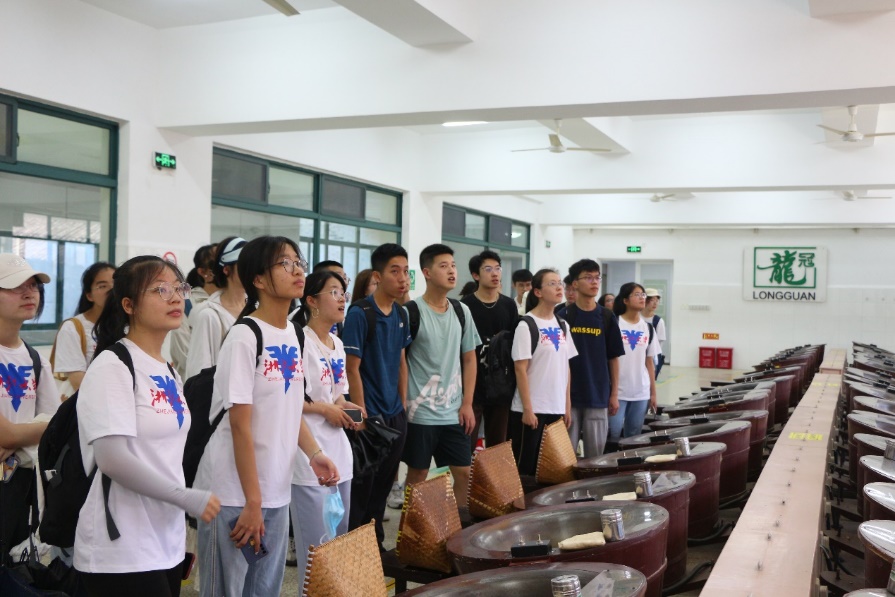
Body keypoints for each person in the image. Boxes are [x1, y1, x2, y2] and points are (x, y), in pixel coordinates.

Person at [195, 236, 338, 597]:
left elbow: (288, 409)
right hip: (232, 494)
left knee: (263, 592)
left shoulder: (293, 333)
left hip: (275, 490)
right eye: (284, 264)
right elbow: (240, 426)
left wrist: (314, 452)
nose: (297, 270)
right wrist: (252, 503)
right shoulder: (244, 337)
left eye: (298, 262)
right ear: (258, 279)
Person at [74, 255, 220, 597]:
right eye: (159, 290)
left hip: (165, 539)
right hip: (120, 547)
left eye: (178, 288)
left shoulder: (166, 368)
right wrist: (186, 497)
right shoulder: (113, 365)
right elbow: (112, 459)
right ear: (129, 305)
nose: (175, 298)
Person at [289, 271, 360, 588]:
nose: (342, 297)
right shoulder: (299, 341)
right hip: (308, 454)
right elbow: (287, 400)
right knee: (315, 547)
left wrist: (347, 408)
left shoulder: (338, 344)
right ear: (312, 301)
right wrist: (324, 409)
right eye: (334, 292)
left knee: (337, 540)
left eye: (343, 292)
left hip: (340, 454)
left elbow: (337, 394)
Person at [341, 243, 411, 549]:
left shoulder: (401, 313)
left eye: (406, 271)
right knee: (362, 491)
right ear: (377, 276)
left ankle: (375, 546)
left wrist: (404, 405)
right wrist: (360, 417)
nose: (402, 278)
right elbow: (351, 368)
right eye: (395, 271)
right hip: (369, 419)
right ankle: (355, 549)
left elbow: (401, 361)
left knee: (383, 488)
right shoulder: (360, 313)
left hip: (395, 415)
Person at [402, 244, 480, 506]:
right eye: (443, 266)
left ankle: (453, 530)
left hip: (453, 410)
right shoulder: (411, 312)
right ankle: (414, 535)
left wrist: (467, 403)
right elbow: (400, 361)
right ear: (427, 272)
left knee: (464, 473)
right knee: (418, 475)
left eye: (453, 266)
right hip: (420, 412)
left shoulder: (461, 311)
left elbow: (470, 359)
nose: (451, 271)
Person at [0, 254, 59, 563]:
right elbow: (6, 433)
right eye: (14, 286)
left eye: (34, 285)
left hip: (19, 488)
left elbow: (57, 425)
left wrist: (18, 438)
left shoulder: (34, 359)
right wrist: (25, 434)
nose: (29, 292)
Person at [509, 269, 577, 476]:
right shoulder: (527, 324)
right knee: (526, 468)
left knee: (551, 469)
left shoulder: (562, 325)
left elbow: (566, 367)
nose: (559, 288)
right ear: (537, 292)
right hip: (531, 410)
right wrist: (528, 409)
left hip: (556, 408)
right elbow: (520, 369)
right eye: (552, 284)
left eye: (560, 284)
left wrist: (566, 405)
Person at [557, 260, 625, 458]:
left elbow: (613, 358)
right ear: (575, 284)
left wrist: (614, 394)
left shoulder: (606, 317)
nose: (594, 282)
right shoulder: (563, 316)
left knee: (595, 456)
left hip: (597, 394)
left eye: (597, 277)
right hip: (568, 397)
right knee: (566, 457)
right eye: (588, 277)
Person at [461, 250, 518, 453]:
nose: (495, 274)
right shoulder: (465, 306)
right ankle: (466, 484)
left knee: (498, 448)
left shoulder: (508, 305)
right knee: (466, 445)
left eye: (498, 269)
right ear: (476, 275)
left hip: (501, 387)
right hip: (471, 388)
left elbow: (514, 346)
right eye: (488, 269)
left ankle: (493, 485)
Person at [185, 237, 247, 379]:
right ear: (226, 269)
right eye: (244, 264)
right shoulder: (209, 315)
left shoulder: (257, 309)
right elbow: (198, 376)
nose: (251, 270)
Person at [51, 261, 115, 398]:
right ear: (89, 295)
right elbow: (78, 381)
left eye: (115, 284)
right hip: (89, 406)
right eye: (102, 286)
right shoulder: (73, 328)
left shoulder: (128, 327)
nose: (111, 290)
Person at [607, 283, 659, 452]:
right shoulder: (614, 323)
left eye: (643, 295)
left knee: (633, 436)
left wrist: (653, 392)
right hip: (617, 391)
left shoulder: (648, 328)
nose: (642, 298)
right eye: (637, 295)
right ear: (625, 300)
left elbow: (649, 362)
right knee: (613, 434)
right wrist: (612, 392)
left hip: (640, 392)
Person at [171, 244, 219, 379]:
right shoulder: (187, 304)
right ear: (203, 272)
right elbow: (185, 356)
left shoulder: (244, 304)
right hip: (197, 390)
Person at [642, 288, 667, 379]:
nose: (655, 303)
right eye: (652, 300)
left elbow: (659, 345)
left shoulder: (658, 321)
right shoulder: (637, 318)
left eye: (657, 300)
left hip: (651, 359)